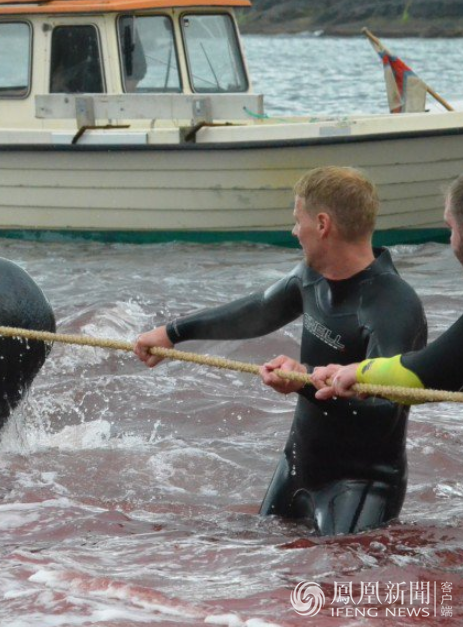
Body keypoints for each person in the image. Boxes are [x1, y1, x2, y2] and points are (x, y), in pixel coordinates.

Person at [133, 166, 427, 536]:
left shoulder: (393, 306)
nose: (293, 232)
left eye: (296, 219)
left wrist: (303, 383)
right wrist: (172, 333)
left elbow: (385, 411)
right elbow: (257, 311)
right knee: (265, 573)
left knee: (345, 589)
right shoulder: (311, 277)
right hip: (296, 468)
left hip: (359, 485)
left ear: (322, 224)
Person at [310, 175, 463, 399]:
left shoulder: (395, 299)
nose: (451, 241)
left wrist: (360, 372)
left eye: (450, 227)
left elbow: (422, 375)